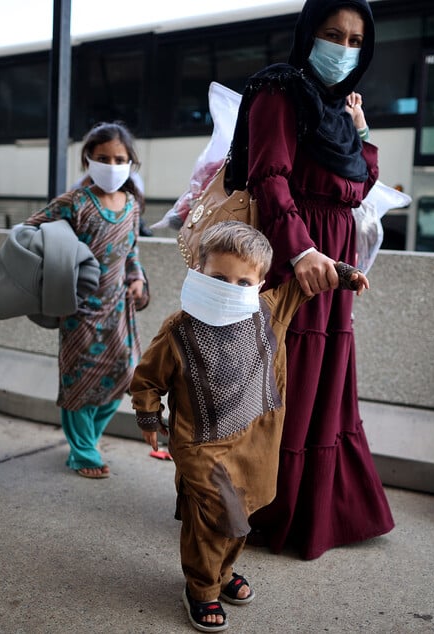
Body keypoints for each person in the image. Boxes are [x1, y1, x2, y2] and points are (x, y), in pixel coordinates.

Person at [130, 221, 369, 632]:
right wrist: (148, 415)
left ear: (259, 284)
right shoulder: (178, 329)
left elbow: (308, 281)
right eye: (219, 278)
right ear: (198, 271)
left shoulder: (269, 309)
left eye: (243, 281)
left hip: (255, 439)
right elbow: (149, 378)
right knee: (211, 516)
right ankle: (201, 588)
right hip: (200, 443)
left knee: (243, 512)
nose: (230, 287)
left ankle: (223, 573)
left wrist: (344, 274)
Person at [224, 0, 395, 559]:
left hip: (331, 260)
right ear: (308, 33)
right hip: (291, 258)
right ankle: (263, 509)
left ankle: (310, 511)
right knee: (285, 379)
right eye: (332, 33)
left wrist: (360, 130)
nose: (343, 48)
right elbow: (269, 176)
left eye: (354, 40)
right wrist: (300, 253)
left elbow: (359, 186)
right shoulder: (280, 89)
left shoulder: (335, 110)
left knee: (320, 380)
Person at [23, 121, 148, 478]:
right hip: (79, 311)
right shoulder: (75, 202)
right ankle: (83, 452)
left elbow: (131, 249)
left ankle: (88, 440)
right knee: (78, 380)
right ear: (88, 159)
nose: (112, 165)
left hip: (119, 309)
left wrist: (136, 278)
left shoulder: (132, 204)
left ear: (130, 162)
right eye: (103, 157)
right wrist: (62, 267)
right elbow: (30, 231)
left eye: (119, 158)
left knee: (125, 375)